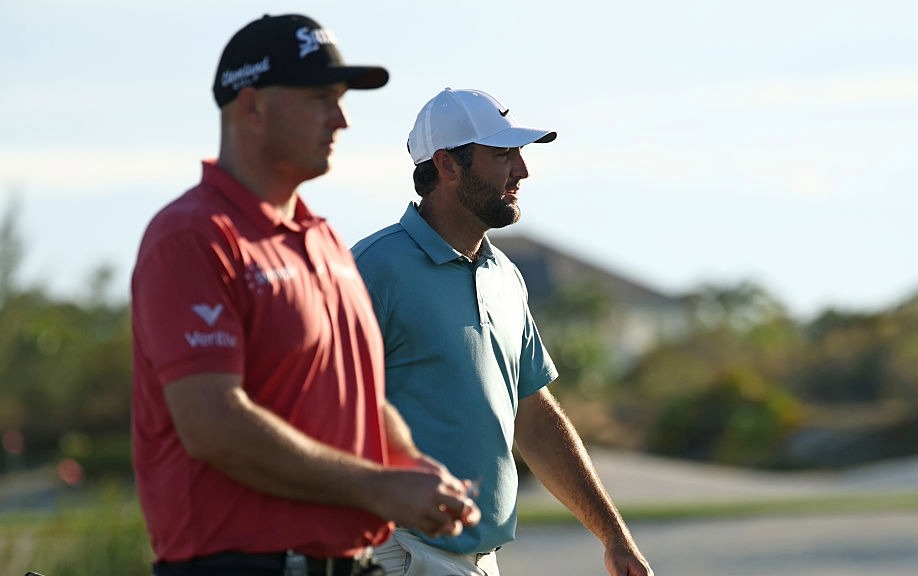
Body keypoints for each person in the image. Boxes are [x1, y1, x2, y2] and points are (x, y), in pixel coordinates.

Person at [131, 16, 479, 576]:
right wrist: (377, 485)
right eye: (320, 97)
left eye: (340, 98)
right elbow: (212, 424)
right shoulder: (193, 236)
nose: (342, 117)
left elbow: (359, 395)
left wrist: (409, 466)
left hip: (343, 562)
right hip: (239, 567)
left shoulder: (325, 241)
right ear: (252, 106)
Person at [352, 87, 654, 576]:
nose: (522, 170)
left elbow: (532, 416)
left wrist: (613, 536)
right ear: (448, 165)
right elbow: (320, 413)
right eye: (502, 155)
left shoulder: (504, 276)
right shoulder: (372, 269)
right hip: (397, 553)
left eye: (518, 154)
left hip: (481, 560)